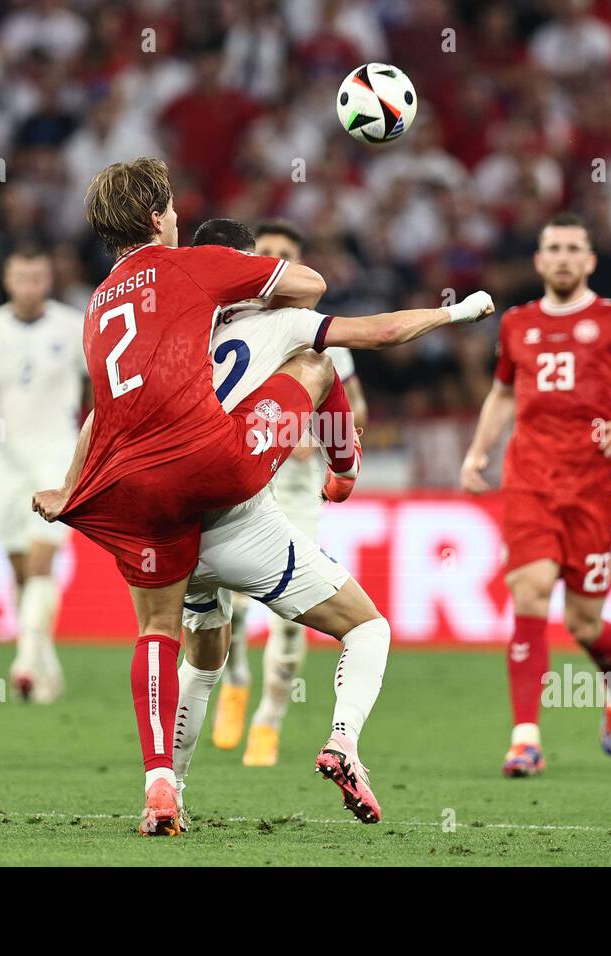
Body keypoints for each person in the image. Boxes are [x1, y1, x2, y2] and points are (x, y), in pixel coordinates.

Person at [29, 157, 353, 835]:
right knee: (306, 609)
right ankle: (269, 712)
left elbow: (102, 413)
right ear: (154, 217)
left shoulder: (99, 305)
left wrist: (68, 484)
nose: (176, 216)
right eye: (170, 206)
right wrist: (246, 279)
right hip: (217, 473)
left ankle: (160, 783)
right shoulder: (190, 266)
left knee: (159, 632)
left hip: (128, 489)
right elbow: (312, 285)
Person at [166, 217, 494, 827]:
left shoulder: (169, 323)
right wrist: (456, 314)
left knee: (199, 658)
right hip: (241, 517)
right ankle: (342, 741)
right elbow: (381, 334)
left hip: (168, 518)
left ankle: (170, 789)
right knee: (368, 629)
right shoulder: (290, 325)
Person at [460, 212, 611, 777]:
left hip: (594, 486)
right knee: (529, 595)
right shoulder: (517, 324)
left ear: (590, 260)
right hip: (530, 479)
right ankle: (525, 739)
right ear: (538, 260)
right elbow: (503, 393)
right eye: (552, 247)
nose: (562, 257)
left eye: (573, 248)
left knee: (583, 624)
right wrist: (478, 451)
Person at [209, 220, 369, 768]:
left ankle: (270, 719)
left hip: (295, 494)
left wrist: (317, 435)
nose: (272, 264)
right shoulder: (220, 325)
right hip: (234, 486)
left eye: (283, 255)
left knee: (290, 618)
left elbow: (350, 407)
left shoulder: (311, 328)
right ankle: (234, 682)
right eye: (264, 254)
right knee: (225, 606)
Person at [0, 246, 88, 703]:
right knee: (18, 570)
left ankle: (25, 660)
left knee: (41, 560)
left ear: (47, 280)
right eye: (21, 278)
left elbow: (104, 395)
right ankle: (43, 664)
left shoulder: (74, 327)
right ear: (7, 280)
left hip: (57, 458)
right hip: (3, 459)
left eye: (37, 278)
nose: (29, 286)